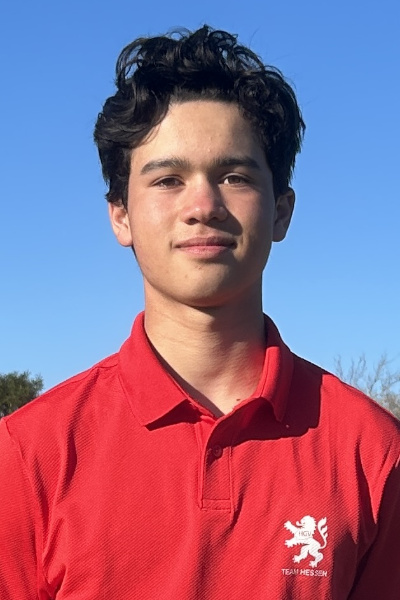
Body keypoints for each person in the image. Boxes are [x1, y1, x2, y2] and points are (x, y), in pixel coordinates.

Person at [0, 26, 399, 600]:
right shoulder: (28, 454)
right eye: (168, 179)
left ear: (281, 211)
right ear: (120, 215)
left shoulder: (374, 451)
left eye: (234, 177)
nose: (203, 206)